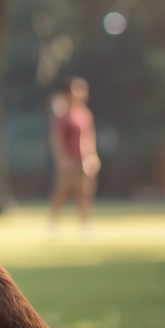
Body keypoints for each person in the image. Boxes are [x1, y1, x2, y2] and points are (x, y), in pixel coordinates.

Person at [48, 77, 101, 229]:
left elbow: (89, 136)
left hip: (84, 160)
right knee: (62, 191)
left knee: (85, 193)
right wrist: (62, 159)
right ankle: (52, 222)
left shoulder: (85, 114)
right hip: (68, 161)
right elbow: (57, 139)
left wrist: (92, 156)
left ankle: (85, 224)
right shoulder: (62, 114)